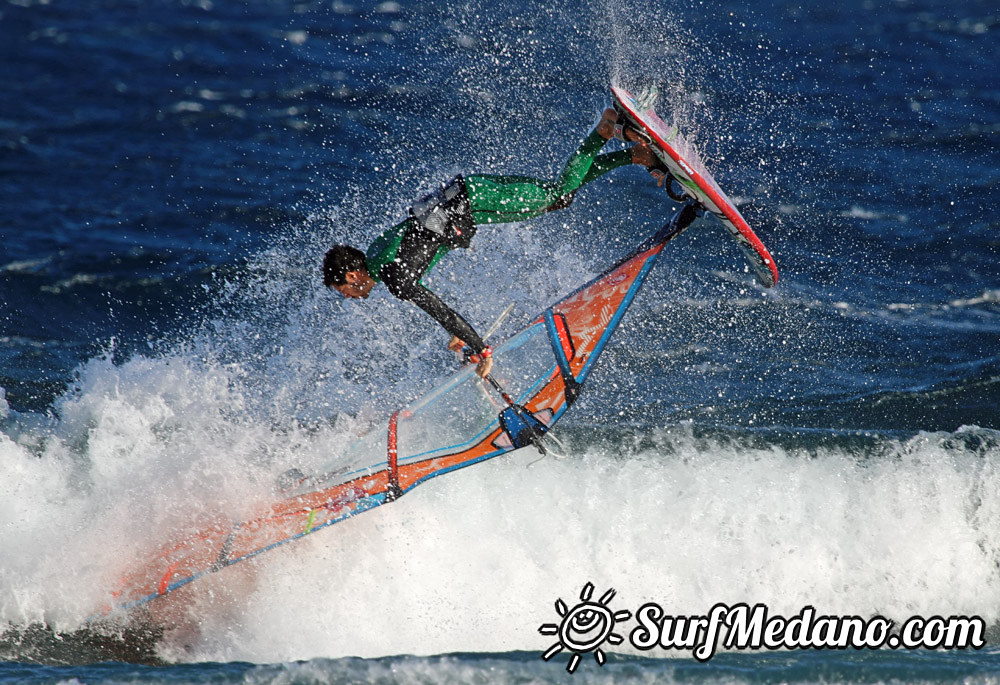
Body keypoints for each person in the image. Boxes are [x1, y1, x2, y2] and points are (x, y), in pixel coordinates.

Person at [323, 108, 667, 378]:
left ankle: (605, 132)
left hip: (473, 202)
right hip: (469, 197)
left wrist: (480, 347)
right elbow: (422, 259)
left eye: (345, 291)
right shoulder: (379, 254)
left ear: (352, 277)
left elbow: (437, 307)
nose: (351, 298)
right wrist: (460, 335)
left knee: (557, 194)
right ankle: (636, 155)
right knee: (556, 195)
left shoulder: (393, 276)